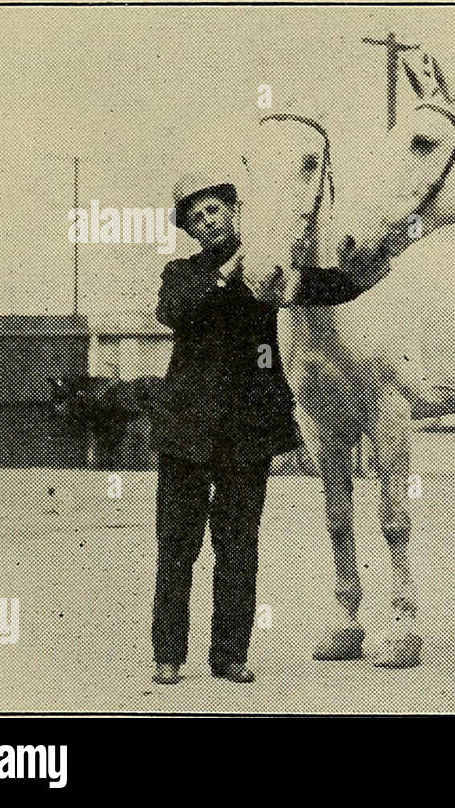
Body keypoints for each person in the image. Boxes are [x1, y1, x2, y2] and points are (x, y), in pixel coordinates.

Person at [149, 171, 302, 684]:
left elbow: (325, 285)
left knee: (239, 548)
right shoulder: (182, 274)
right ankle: (169, 656)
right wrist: (226, 273)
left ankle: (231, 655)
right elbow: (176, 311)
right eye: (195, 218)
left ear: (233, 210)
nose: (206, 222)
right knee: (177, 548)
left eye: (213, 210)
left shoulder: (266, 271)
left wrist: (379, 256)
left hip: (245, 435)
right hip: (185, 434)